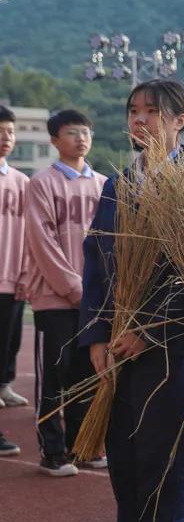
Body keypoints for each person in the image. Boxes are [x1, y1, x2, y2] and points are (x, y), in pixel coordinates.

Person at [79, 79, 184, 522]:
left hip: (171, 348)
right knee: (127, 467)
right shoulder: (119, 183)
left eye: (152, 111)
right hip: (116, 347)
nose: (140, 119)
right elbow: (96, 261)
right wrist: (96, 334)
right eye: (133, 110)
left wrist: (147, 331)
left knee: (167, 467)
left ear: (179, 122)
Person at [25, 110, 107, 476]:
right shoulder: (41, 184)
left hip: (95, 301)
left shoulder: (105, 185)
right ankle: (52, 452)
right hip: (56, 299)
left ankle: (82, 446)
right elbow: (42, 243)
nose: (80, 138)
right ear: (55, 141)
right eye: (71, 133)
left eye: (85, 132)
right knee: (54, 377)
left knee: (87, 376)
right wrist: (77, 289)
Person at [0, 105, 28, 457]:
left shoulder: (22, 182)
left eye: (9, 132)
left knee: (8, 346)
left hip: (12, 279)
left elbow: (28, 234)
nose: (5, 138)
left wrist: (24, 272)